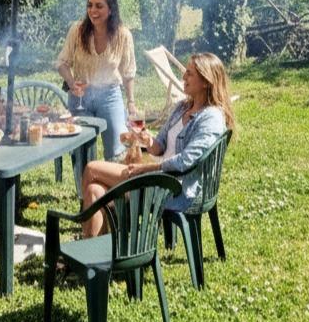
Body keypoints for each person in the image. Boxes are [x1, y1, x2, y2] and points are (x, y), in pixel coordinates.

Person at [79, 52, 234, 238]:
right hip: (158, 177)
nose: (183, 76)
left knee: (92, 169)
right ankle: (98, 250)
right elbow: (160, 145)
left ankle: (89, 234)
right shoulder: (182, 107)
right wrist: (148, 140)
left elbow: (187, 161)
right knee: (94, 190)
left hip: (173, 187)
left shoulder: (211, 117)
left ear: (206, 82)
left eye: (190, 73)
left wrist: (145, 169)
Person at [56, 0, 137, 160]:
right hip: (80, 98)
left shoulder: (123, 35)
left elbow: (128, 73)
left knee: (117, 150)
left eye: (99, 6)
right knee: (81, 153)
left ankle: (114, 177)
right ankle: (84, 179)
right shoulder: (77, 30)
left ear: (110, 9)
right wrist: (71, 83)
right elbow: (62, 63)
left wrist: (131, 102)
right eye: (90, 5)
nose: (93, 10)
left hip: (109, 96)